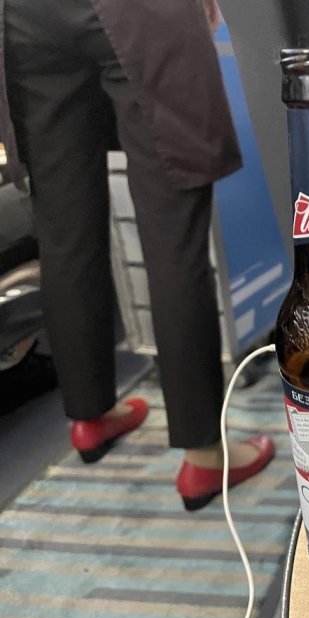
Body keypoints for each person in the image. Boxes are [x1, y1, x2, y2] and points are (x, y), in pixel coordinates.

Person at [0, 0, 275, 511]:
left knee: (63, 227)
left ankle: (90, 415)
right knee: (173, 229)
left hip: (24, 14)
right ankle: (204, 454)